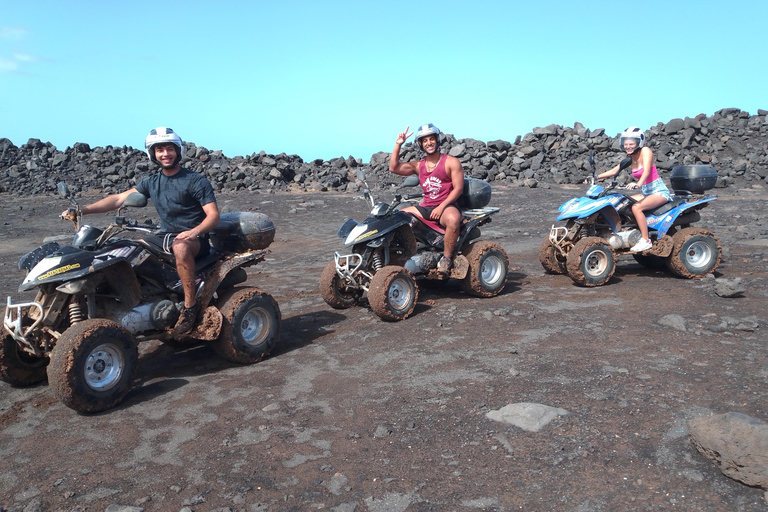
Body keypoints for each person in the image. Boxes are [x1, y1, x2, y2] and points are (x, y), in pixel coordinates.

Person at [62, 127, 220, 334]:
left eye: (169, 149)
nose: (165, 154)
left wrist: (195, 231)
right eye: (160, 150)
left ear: (178, 150)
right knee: (124, 249)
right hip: (164, 236)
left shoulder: (195, 180)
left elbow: (213, 216)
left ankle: (190, 307)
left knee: (180, 247)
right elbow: (119, 198)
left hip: (194, 240)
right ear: (153, 154)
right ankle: (140, 299)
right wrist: (82, 210)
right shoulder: (152, 182)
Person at [389, 123, 464, 274]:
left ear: (437, 140)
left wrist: (441, 207)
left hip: (446, 206)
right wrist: (398, 144)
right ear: (421, 144)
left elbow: (458, 189)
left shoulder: (451, 162)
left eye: (431, 139)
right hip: (426, 206)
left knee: (453, 220)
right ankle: (405, 255)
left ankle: (447, 259)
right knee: (398, 218)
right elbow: (394, 168)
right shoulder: (418, 165)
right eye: (425, 141)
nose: (429, 143)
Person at [597, 126, 672, 252]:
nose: (628, 146)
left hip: (658, 191)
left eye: (631, 144)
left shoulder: (646, 151)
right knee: (620, 202)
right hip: (646, 192)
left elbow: (647, 170)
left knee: (636, 207)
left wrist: (638, 183)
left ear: (639, 142)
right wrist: (596, 176)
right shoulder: (630, 158)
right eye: (626, 144)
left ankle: (645, 240)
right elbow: (616, 169)